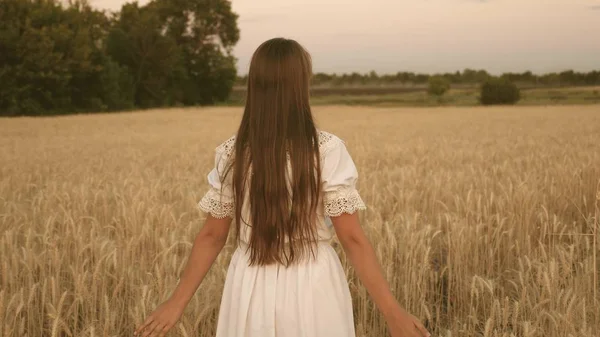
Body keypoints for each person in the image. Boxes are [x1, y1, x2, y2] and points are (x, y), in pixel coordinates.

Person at [135, 37, 430, 337]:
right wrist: (393, 314)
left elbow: (212, 236)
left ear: (255, 86)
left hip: (249, 284)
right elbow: (352, 238)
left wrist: (175, 303)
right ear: (300, 86)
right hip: (314, 285)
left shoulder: (232, 154)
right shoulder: (326, 150)